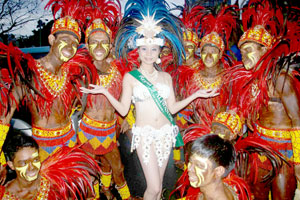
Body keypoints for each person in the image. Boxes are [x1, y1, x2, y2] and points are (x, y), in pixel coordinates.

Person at [80, 0, 217, 199]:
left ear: (159, 52)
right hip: (145, 136)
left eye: (153, 49)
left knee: (159, 187)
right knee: (152, 188)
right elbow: (123, 109)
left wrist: (196, 95)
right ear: (139, 51)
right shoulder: (131, 77)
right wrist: (105, 92)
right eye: (144, 49)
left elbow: (172, 108)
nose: (149, 54)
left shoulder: (166, 77)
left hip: (165, 135)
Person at [224, 0, 300, 199]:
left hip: (284, 153)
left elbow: (298, 121)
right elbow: (242, 115)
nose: (244, 55)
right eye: (242, 51)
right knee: (256, 194)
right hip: (258, 149)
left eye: (250, 50)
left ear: (265, 50)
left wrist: (299, 162)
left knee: (282, 195)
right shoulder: (247, 81)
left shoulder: (281, 79)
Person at [0, 0, 92, 163]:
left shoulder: (73, 76)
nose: (70, 46)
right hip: (42, 148)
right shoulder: (27, 73)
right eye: (65, 39)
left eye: (75, 43)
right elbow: (5, 116)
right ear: (51, 39)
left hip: (69, 143)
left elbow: (81, 107)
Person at [77, 0, 132, 199]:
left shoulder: (119, 70)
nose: (99, 46)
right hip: (87, 131)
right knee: (90, 170)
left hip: (109, 131)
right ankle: (95, 195)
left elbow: (125, 98)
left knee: (118, 168)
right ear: (87, 44)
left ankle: (116, 193)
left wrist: (127, 118)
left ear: (110, 44)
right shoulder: (80, 69)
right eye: (94, 41)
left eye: (104, 41)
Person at [0, 129, 101, 199]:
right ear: (11, 165)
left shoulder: (55, 181)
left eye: (35, 160)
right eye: (23, 163)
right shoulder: (4, 196)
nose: (31, 168)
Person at [185, 134, 250, 200]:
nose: (189, 169)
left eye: (199, 165)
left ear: (218, 171)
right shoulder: (212, 189)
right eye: (190, 161)